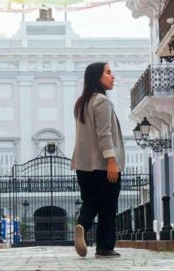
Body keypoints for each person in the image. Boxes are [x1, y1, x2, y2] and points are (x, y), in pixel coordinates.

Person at [71, 62, 125, 258]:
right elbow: (105, 134)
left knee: (90, 202)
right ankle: (105, 247)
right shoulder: (101, 101)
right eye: (108, 73)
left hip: (83, 165)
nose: (113, 76)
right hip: (103, 164)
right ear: (97, 77)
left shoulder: (81, 103)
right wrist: (112, 161)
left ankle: (82, 225)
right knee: (108, 206)